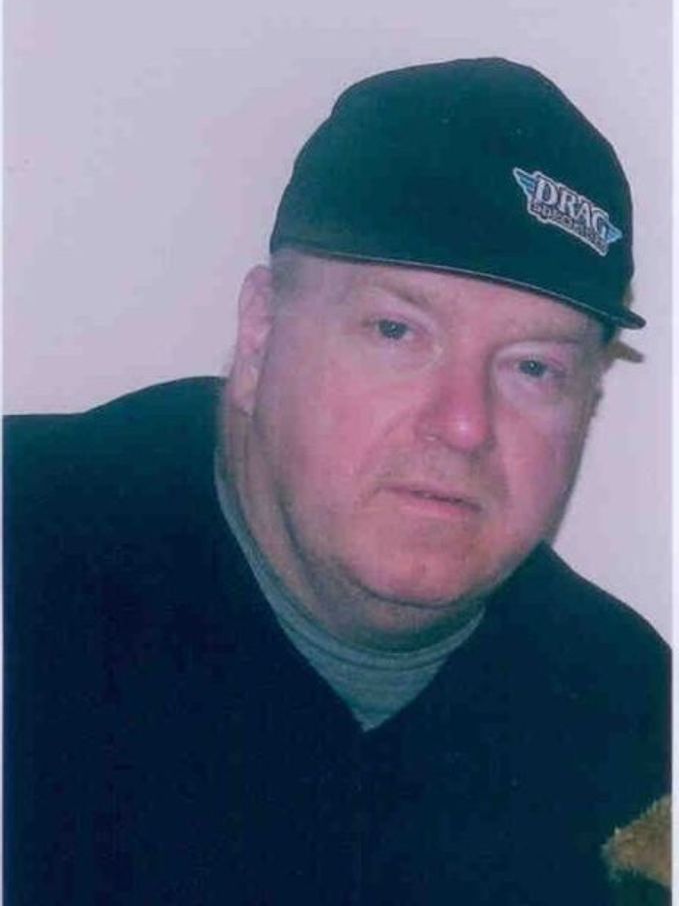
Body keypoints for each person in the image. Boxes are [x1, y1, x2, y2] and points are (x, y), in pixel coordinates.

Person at [4, 58, 669, 906]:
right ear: (259, 336)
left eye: (532, 367)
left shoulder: (627, 717)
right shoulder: (26, 550)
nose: (463, 424)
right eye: (396, 331)